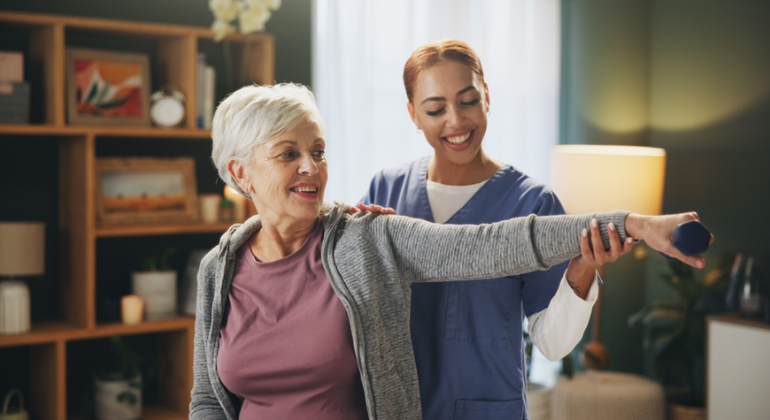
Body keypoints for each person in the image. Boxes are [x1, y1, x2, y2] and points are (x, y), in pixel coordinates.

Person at [190, 82, 709, 420]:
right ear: (240, 173)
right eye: (289, 154)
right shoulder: (218, 269)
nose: (313, 168)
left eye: (319, 151)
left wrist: (634, 224)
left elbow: (494, 244)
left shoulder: (366, 239)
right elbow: (209, 400)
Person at [359, 39, 632, 419]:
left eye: (468, 100)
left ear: (487, 96)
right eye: (436, 109)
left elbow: (552, 344)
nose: (455, 121)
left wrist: (584, 266)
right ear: (413, 114)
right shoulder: (385, 192)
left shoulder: (532, 202)